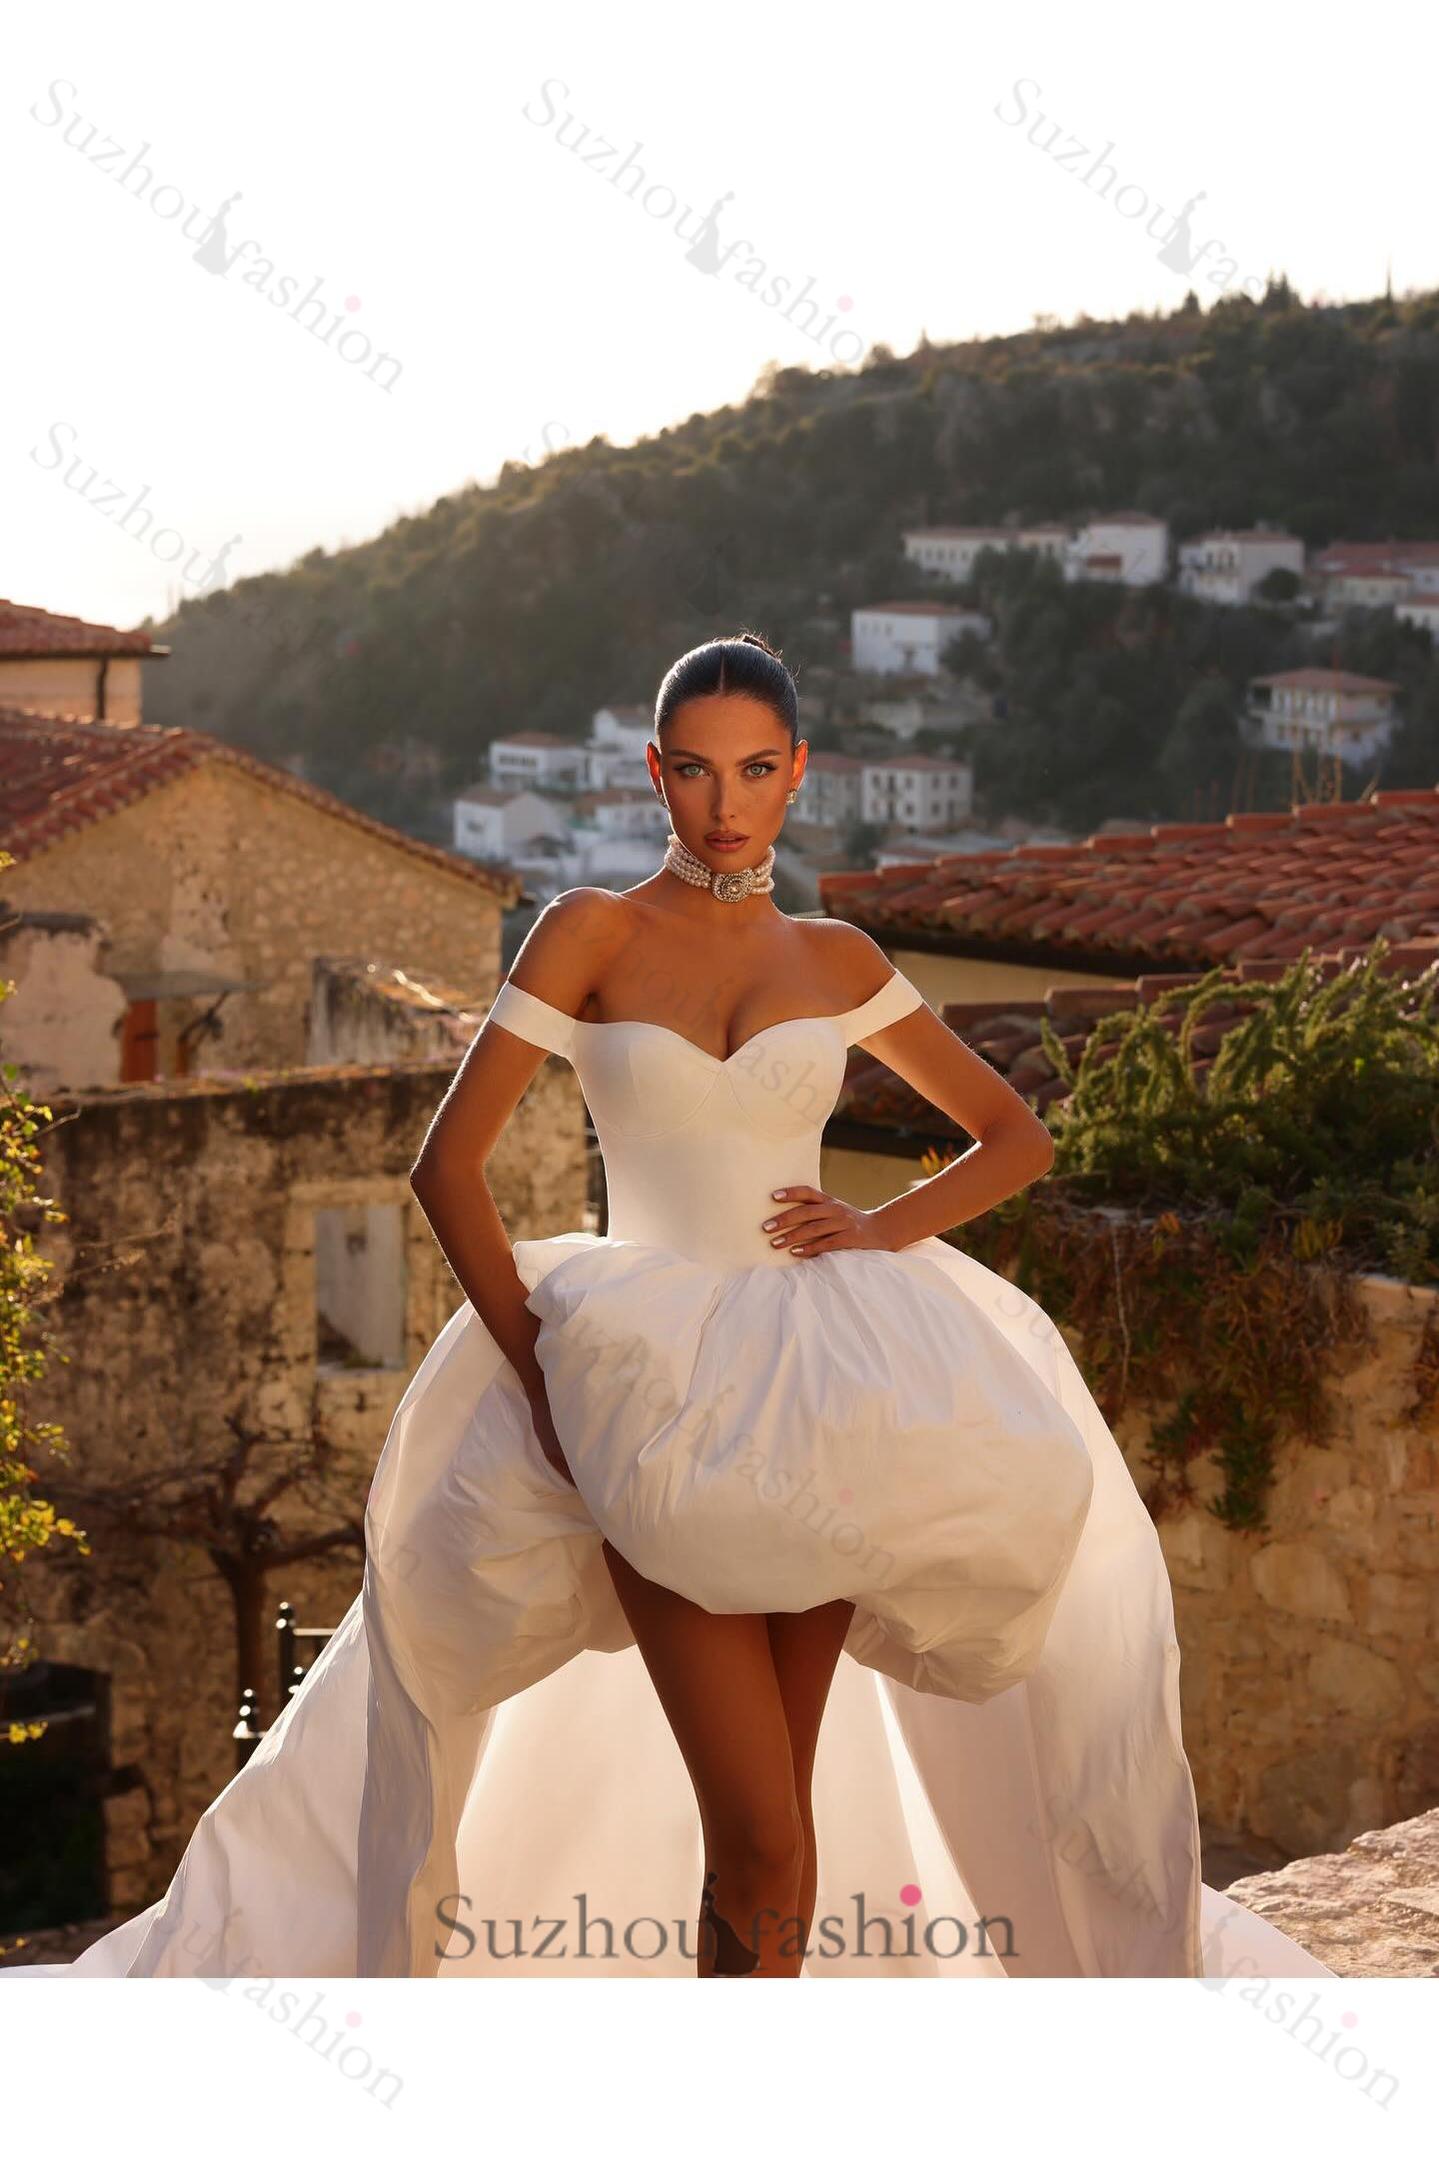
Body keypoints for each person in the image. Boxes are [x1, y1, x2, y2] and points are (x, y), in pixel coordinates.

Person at [4, 633, 1333, 1983]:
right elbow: (446, 1167)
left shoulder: (835, 955)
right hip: (648, 1388)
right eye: (695, 771)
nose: (724, 801)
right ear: (654, 772)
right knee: (754, 1824)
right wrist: (548, 1384)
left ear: (798, 773)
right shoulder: (589, 930)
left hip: (828, 1387)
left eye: (756, 769)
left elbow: (1011, 1136)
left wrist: (875, 1227)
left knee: (781, 1830)